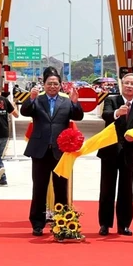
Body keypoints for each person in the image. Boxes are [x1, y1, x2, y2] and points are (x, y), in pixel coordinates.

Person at [20, 68, 83, 236]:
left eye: (56, 84)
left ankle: (62, 220)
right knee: (39, 187)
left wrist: (76, 102)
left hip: (60, 151)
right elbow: (24, 112)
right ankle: (37, 223)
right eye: (49, 84)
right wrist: (31, 98)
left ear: (61, 85)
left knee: (61, 187)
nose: (53, 86)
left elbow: (78, 117)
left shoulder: (66, 101)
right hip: (40, 150)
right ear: (44, 85)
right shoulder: (37, 100)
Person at [97, 73, 133, 236]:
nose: (129, 86)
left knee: (126, 190)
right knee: (107, 189)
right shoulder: (111, 101)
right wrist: (117, 113)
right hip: (109, 151)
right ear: (122, 85)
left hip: (128, 152)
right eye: (126, 83)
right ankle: (105, 224)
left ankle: (124, 224)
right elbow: (105, 115)